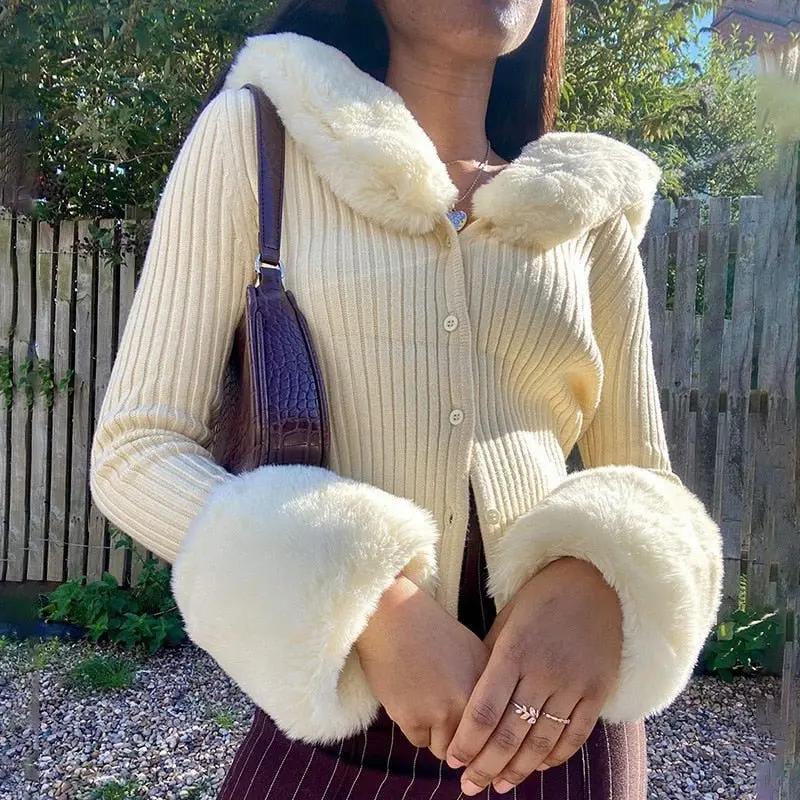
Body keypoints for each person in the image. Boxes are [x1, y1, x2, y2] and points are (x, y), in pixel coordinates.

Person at [89, 0, 725, 797]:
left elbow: (646, 478)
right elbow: (136, 450)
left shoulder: (585, 205)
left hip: (564, 731)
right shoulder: (259, 138)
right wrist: (373, 602)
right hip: (341, 723)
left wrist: (601, 577)